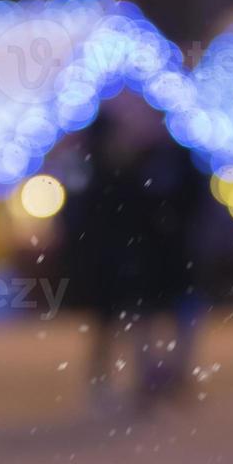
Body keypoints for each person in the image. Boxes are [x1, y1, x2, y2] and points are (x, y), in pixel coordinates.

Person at [63, 92, 208, 408]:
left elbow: (193, 202)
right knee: (127, 319)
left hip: (165, 255)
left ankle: (166, 377)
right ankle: (136, 377)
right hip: (135, 256)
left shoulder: (167, 160)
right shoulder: (124, 164)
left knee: (169, 316)